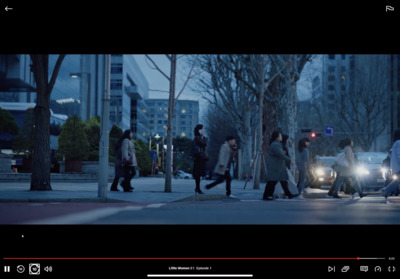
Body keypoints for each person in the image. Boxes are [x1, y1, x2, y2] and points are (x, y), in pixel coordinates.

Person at [263, 131, 295, 200]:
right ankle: (267, 195)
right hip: (275, 166)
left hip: (278, 166)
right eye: (280, 136)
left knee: (281, 181)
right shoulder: (276, 145)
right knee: (272, 182)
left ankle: (288, 194)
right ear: (277, 137)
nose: (281, 137)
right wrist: (289, 160)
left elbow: (280, 153)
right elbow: (280, 154)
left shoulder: (276, 144)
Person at [381, 130, 400, 199]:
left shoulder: (395, 143)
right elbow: (399, 155)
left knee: (397, 181)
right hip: (398, 166)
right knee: (397, 181)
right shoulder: (398, 143)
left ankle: (385, 190)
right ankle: (385, 190)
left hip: (396, 166)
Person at [192, 124, 208, 194]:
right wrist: (203, 137)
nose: (203, 130)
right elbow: (204, 143)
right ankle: (197, 188)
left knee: (199, 174)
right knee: (198, 174)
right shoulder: (197, 138)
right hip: (198, 158)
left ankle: (197, 188)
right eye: (202, 129)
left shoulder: (200, 138)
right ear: (199, 130)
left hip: (201, 158)